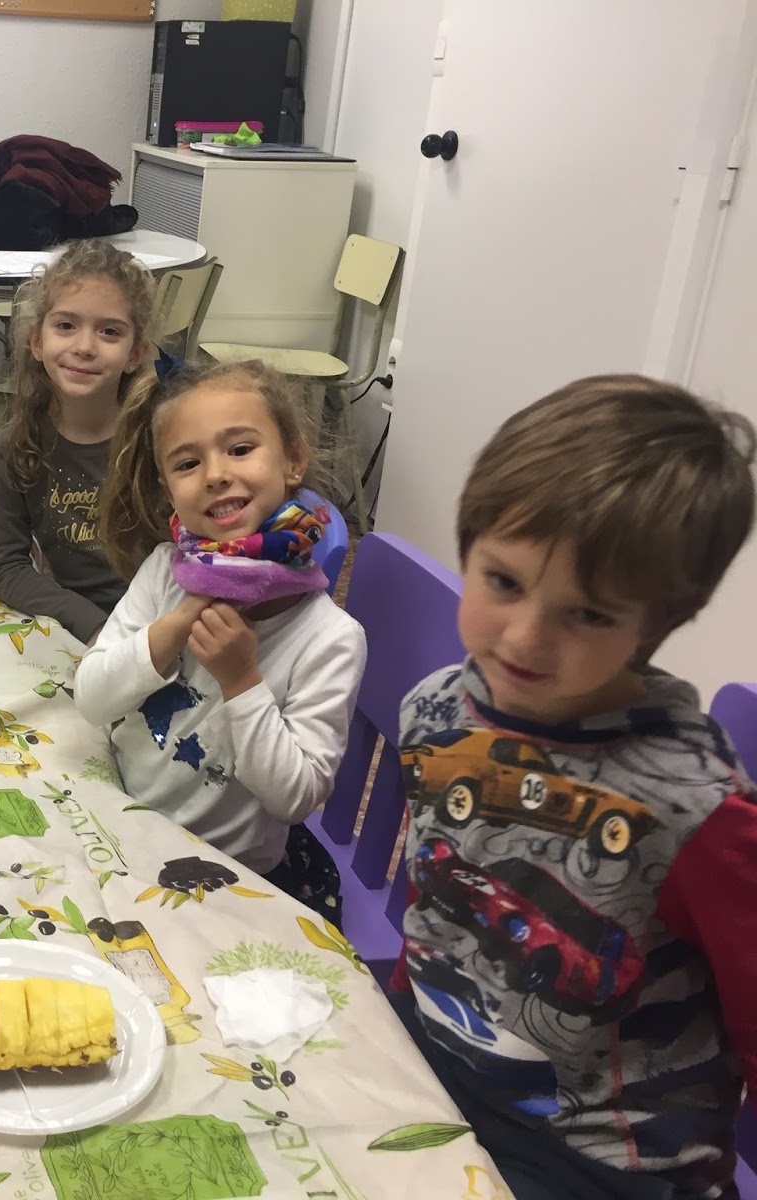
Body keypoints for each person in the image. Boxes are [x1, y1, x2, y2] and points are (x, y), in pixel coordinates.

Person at [390, 377, 757, 1200]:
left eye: (588, 615)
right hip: (435, 1067)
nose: (525, 638)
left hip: (597, 1163)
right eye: (504, 582)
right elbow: (436, 902)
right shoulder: (434, 708)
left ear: (659, 621)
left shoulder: (699, 812)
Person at [75, 360, 365, 920]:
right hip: (118, 832)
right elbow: (91, 698)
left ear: (293, 459)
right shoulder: (164, 572)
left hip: (224, 878)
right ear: (168, 488)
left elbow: (296, 798)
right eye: (188, 463)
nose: (214, 474)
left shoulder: (330, 638)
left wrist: (242, 680)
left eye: (240, 449)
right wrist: (175, 624)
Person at [0, 240, 157, 645]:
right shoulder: (15, 445)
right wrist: (93, 626)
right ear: (37, 341)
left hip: (164, 623)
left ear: (135, 354)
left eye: (110, 331)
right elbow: (7, 566)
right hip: (80, 631)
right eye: (65, 325)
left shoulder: (160, 439)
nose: (84, 347)